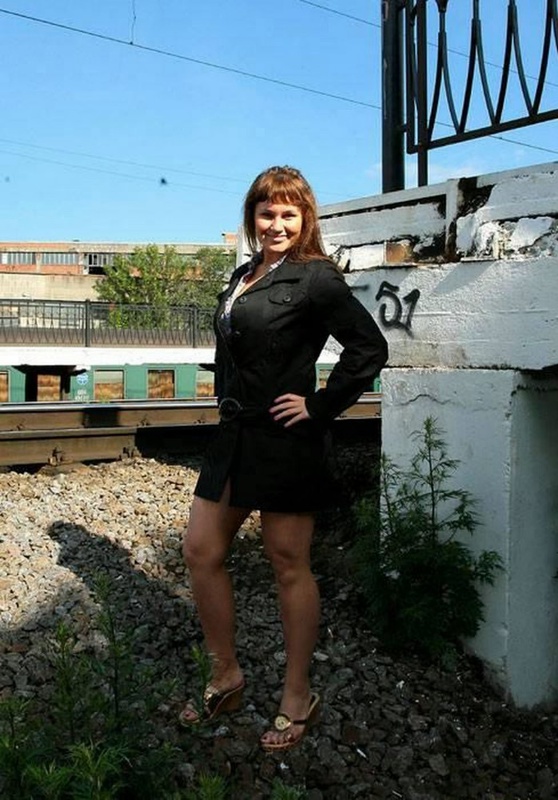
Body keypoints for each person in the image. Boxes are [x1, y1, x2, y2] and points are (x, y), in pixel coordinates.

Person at [181, 165, 388, 752]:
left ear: (305, 219)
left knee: (288, 563)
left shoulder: (316, 277)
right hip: (233, 435)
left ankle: (297, 694)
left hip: (284, 437)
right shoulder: (244, 274)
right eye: (267, 212)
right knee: (200, 551)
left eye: (288, 214)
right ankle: (226, 676)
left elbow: (369, 348)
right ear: (252, 216)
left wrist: (319, 406)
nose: (276, 223)